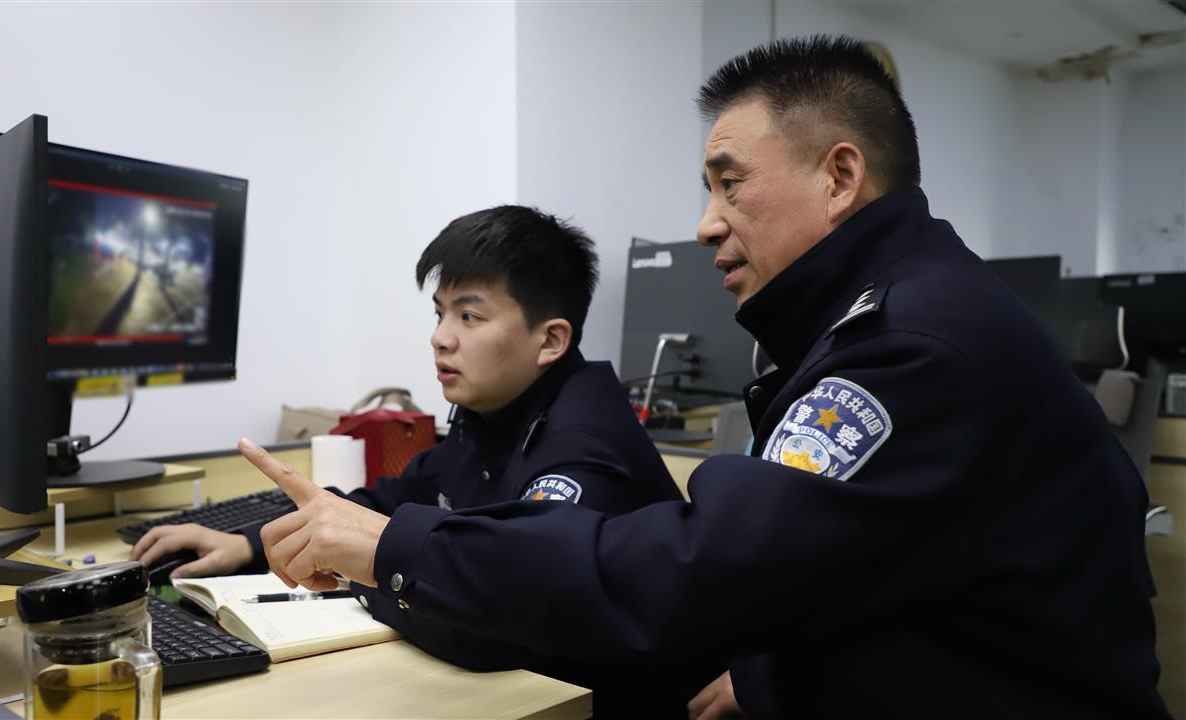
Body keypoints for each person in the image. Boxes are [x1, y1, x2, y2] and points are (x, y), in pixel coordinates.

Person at [242, 35, 1169, 719]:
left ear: (840, 177)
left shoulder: (910, 346)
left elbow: (698, 571)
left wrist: (397, 548)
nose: (705, 223)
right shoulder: (893, 317)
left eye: (731, 184)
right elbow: (866, 574)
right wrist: (774, 677)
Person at [132, 205, 698, 714]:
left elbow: (495, 627)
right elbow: (393, 500)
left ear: (550, 340)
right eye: (439, 314)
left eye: (469, 317)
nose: (440, 338)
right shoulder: (492, 411)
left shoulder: (583, 446)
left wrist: (367, 567)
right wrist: (249, 543)